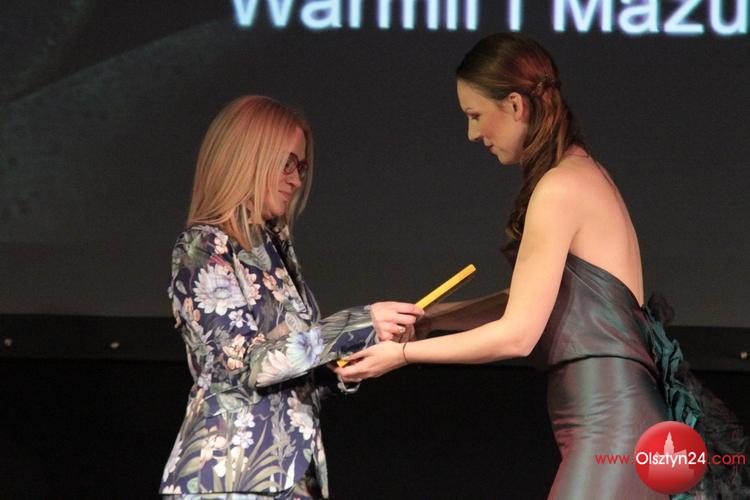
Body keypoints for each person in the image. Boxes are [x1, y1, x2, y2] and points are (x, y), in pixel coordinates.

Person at [335, 34, 748, 498]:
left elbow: (518, 334)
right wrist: (431, 319)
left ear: (515, 105)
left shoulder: (559, 187)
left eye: (475, 115)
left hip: (613, 427)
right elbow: (528, 302)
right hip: (612, 424)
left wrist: (404, 355)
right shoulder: (578, 173)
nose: (472, 134)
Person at [159, 95, 422, 498]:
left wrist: (355, 358)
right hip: (230, 477)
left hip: (286, 476)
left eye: (300, 167)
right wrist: (358, 324)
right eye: (287, 164)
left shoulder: (275, 251)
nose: (296, 181)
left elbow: (292, 368)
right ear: (248, 159)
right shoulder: (203, 249)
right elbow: (252, 366)